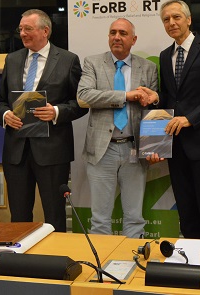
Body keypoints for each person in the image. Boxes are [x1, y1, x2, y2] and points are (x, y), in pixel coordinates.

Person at [143, 0, 200, 240]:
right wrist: (156, 98)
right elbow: (174, 98)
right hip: (176, 144)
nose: (171, 23)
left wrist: (189, 119)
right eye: (166, 19)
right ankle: (192, 261)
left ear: (189, 20)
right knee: (186, 210)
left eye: (176, 17)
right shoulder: (164, 56)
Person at [0, 9, 88, 232]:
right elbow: (0, 101)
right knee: (18, 214)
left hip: (52, 151)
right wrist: (6, 115)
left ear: (45, 31)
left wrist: (56, 112)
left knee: (54, 214)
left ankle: (54, 261)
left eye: (28, 29)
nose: (23, 34)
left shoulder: (68, 60)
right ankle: (20, 261)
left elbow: (81, 103)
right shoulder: (13, 59)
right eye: (20, 29)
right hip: (16, 151)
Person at [77, 18, 159, 238]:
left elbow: (152, 110)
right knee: (100, 219)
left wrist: (154, 148)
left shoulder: (148, 68)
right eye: (113, 32)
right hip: (103, 150)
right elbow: (83, 97)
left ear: (133, 39)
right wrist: (125, 96)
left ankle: (131, 264)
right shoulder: (93, 63)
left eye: (123, 33)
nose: (116, 37)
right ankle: (102, 268)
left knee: (135, 218)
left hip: (135, 149)